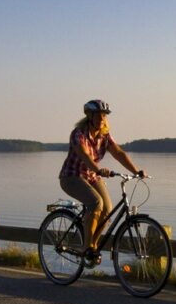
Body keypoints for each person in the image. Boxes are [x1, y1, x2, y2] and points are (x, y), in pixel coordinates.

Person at [59, 99, 145, 266]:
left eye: (104, 116)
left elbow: (118, 153)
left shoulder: (104, 135)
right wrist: (98, 169)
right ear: (89, 116)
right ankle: (86, 248)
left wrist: (136, 171)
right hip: (71, 177)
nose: (102, 119)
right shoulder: (79, 133)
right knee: (95, 202)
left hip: (91, 177)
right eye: (98, 116)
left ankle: (92, 246)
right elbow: (84, 155)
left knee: (107, 209)